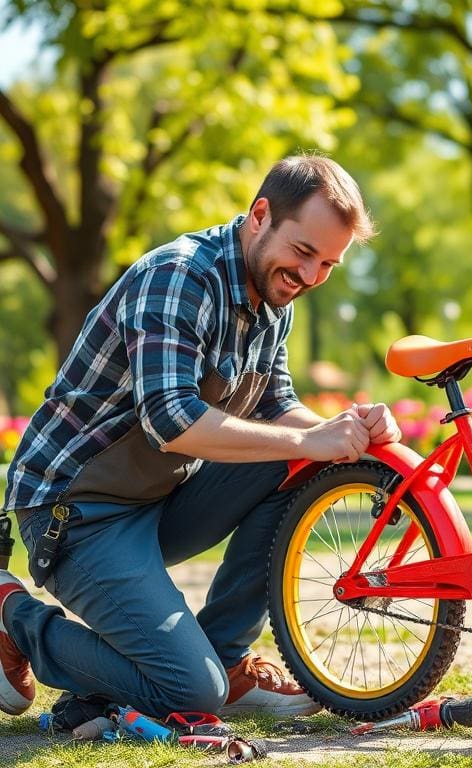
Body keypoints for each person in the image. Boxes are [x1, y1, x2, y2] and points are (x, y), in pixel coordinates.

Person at [0, 155, 401, 719]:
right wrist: (306, 442)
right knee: (191, 694)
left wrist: (350, 431)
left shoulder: (272, 300)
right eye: (304, 252)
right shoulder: (180, 276)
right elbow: (172, 420)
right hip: (74, 511)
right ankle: (13, 618)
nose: (310, 277)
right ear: (260, 215)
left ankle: (223, 658)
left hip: (154, 500)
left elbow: (276, 408)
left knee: (302, 465)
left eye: (328, 264)